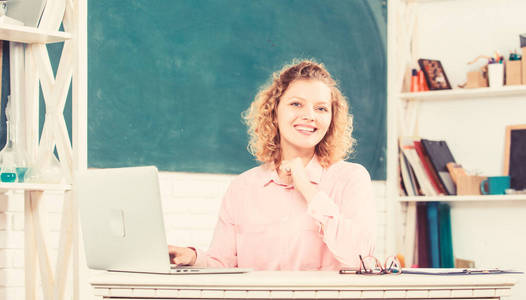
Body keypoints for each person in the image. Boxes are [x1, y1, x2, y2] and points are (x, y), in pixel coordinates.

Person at [169, 59, 375, 270]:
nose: (309, 116)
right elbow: (223, 265)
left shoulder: (350, 179)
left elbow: (359, 259)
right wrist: (192, 258)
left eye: (321, 108)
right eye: (296, 104)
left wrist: (306, 187)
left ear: (332, 118)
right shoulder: (242, 187)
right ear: (275, 111)